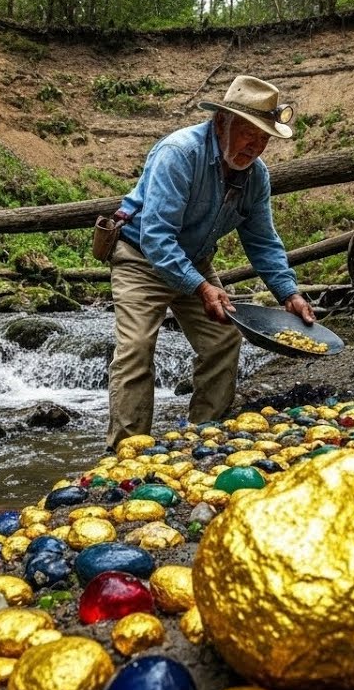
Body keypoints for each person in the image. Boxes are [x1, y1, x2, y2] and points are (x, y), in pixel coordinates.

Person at [105, 75, 315, 450]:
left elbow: (262, 240)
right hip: (141, 259)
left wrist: (289, 293)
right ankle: (127, 452)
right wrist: (201, 287)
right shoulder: (179, 154)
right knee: (136, 348)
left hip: (195, 262)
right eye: (249, 133)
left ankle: (204, 437)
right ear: (222, 122)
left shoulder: (256, 176)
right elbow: (156, 237)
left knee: (223, 339)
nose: (256, 146)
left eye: (265, 138)